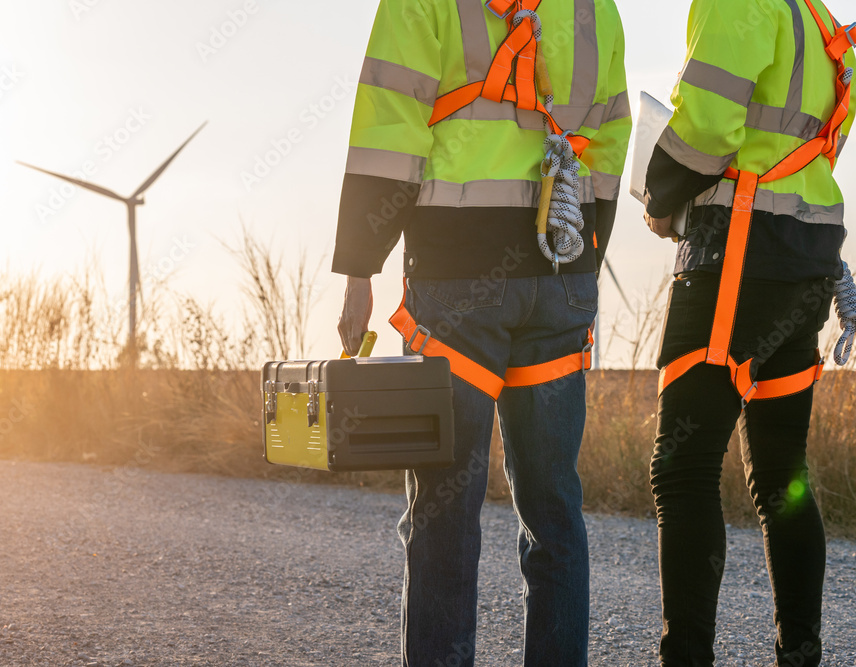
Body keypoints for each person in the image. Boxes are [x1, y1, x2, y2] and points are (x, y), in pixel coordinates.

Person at [332, 1, 630, 664]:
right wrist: (585, 250)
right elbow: (609, 142)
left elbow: (391, 128)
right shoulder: (593, 9)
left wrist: (359, 264)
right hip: (560, 274)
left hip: (458, 276)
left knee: (444, 507)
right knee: (554, 508)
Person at [643, 0, 855, 665]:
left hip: (736, 256)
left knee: (683, 467)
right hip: (806, 259)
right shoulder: (817, 22)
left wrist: (657, 192)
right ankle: (800, 649)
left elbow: (706, 127)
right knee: (782, 471)